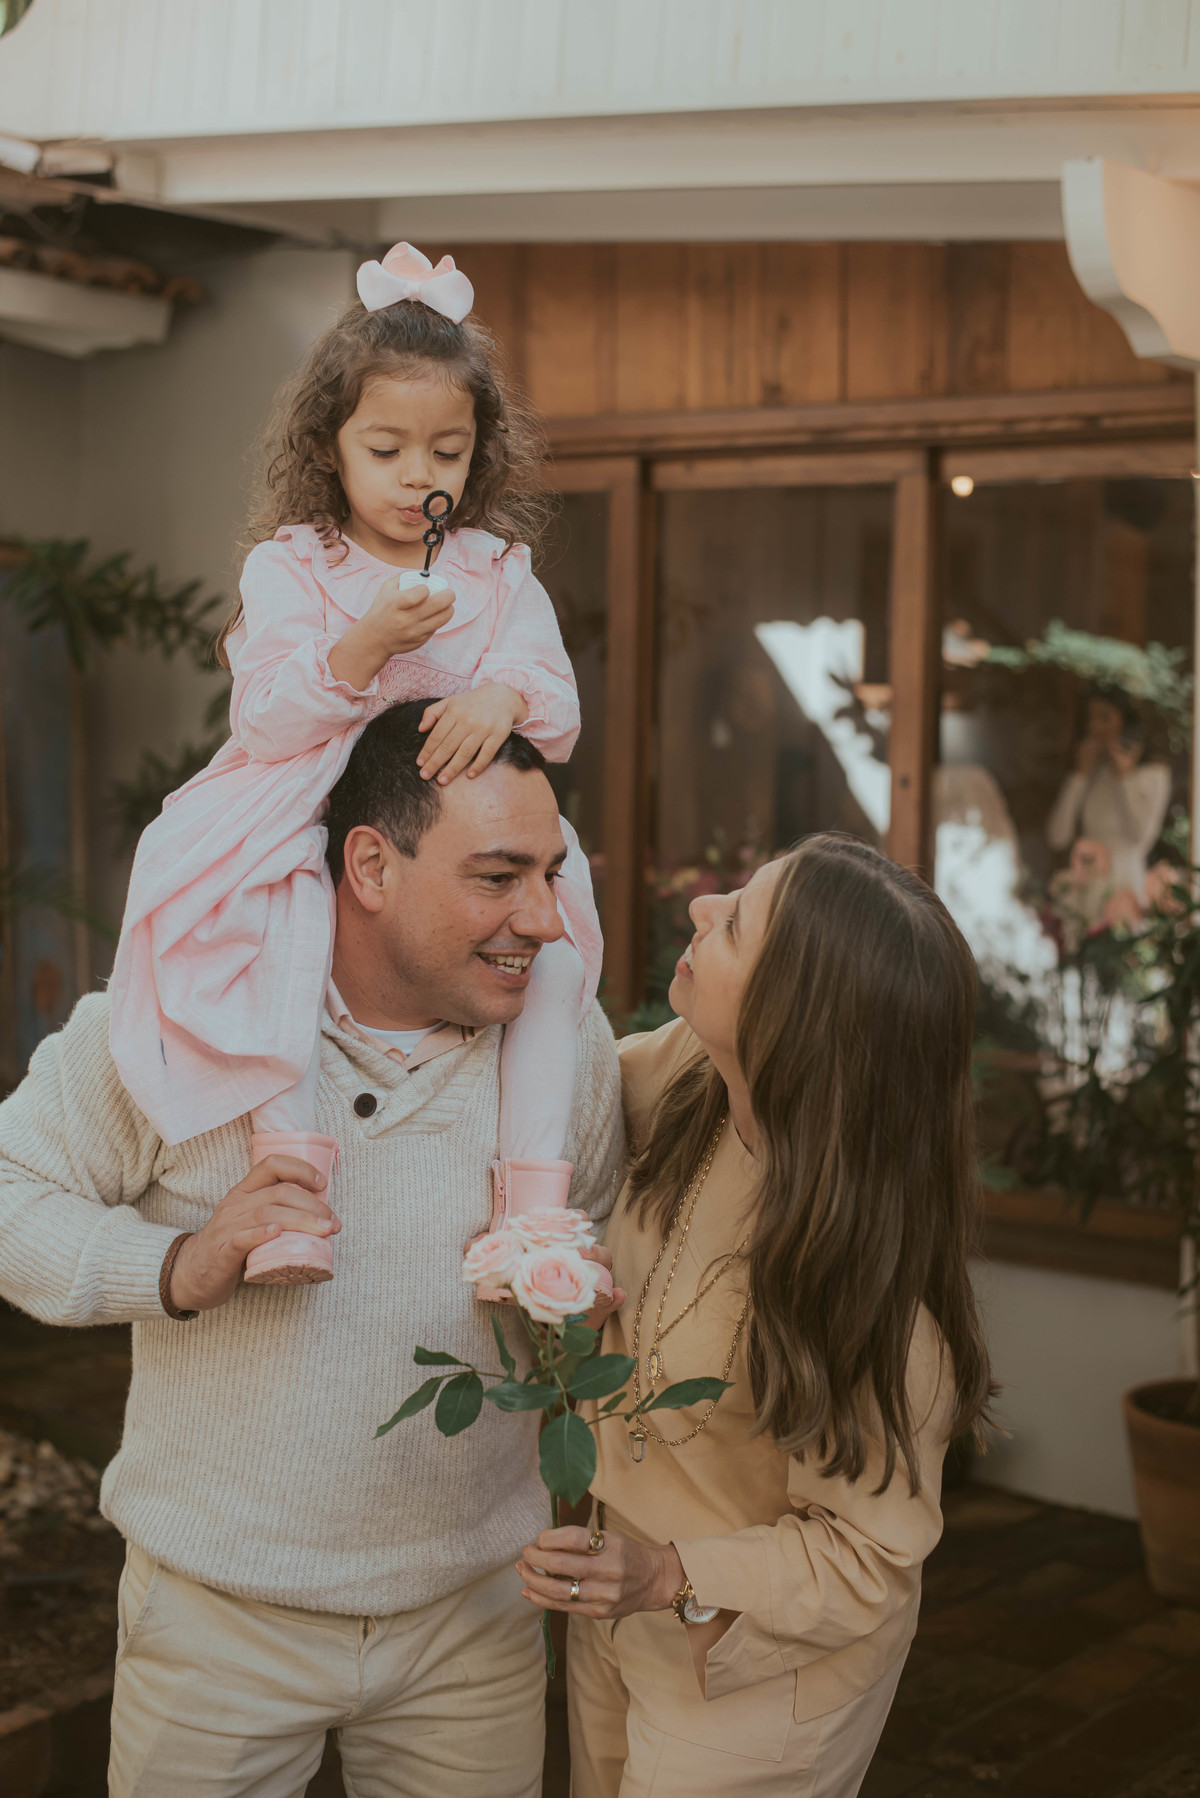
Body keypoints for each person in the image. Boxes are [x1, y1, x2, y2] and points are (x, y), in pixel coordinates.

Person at [0, 704, 623, 1797]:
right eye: (498, 877)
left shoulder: (569, 1044)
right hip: (218, 1626)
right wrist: (175, 1266)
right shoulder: (180, 1019)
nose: (544, 919)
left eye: (551, 874)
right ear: (371, 866)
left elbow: (601, 1238)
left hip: (474, 1620)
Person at [108, 242, 601, 1285]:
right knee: (283, 921)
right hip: (305, 801)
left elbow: (554, 699)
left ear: (477, 456)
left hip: (450, 832)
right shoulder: (294, 566)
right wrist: (364, 646)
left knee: (557, 950)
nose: (420, 476)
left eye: (447, 452)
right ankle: (290, 1187)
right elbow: (265, 716)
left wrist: (501, 696)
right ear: (330, 448)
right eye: (387, 449)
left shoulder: (494, 571)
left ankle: (534, 1209)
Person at [518, 834, 995, 1797]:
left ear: (793, 1023)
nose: (701, 907)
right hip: (616, 1602)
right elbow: (549, 1088)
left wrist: (665, 1574)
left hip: (759, 1667)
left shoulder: (880, 1304)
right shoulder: (692, 1076)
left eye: (735, 923)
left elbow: (866, 1561)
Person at [1045, 689, 1171, 923]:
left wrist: (1125, 777)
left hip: (1125, 888)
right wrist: (1079, 776)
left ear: (1126, 722)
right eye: (1090, 718)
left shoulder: (1153, 775)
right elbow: (1057, 837)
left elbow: (1142, 838)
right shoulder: (1092, 773)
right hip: (1086, 888)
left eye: (1104, 717)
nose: (1094, 726)